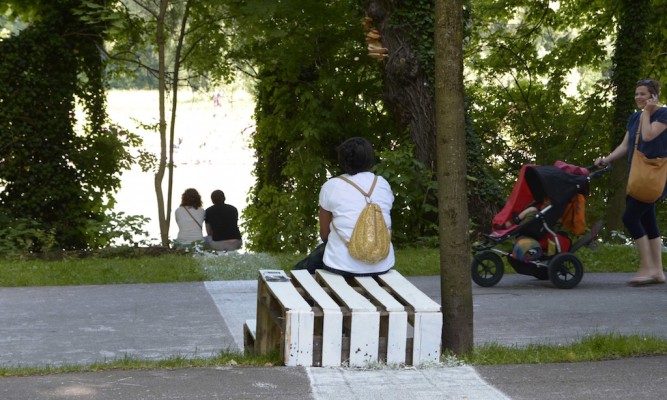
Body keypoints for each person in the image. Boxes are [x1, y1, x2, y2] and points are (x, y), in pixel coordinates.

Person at [595, 78, 667, 286]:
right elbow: (626, 145)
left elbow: (649, 135)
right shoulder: (635, 117)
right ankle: (658, 272)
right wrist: (606, 159)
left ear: (653, 96)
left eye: (643, 94)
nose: (638, 97)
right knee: (648, 222)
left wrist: (647, 112)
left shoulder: (662, 114)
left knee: (630, 218)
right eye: (636, 94)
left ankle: (646, 268)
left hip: (654, 177)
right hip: (639, 175)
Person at [294, 137, 395, 277]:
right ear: (370, 159)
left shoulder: (332, 186)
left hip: (341, 266)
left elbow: (324, 235)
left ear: (343, 161)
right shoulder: (382, 184)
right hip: (382, 264)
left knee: (301, 269)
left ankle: (306, 295)